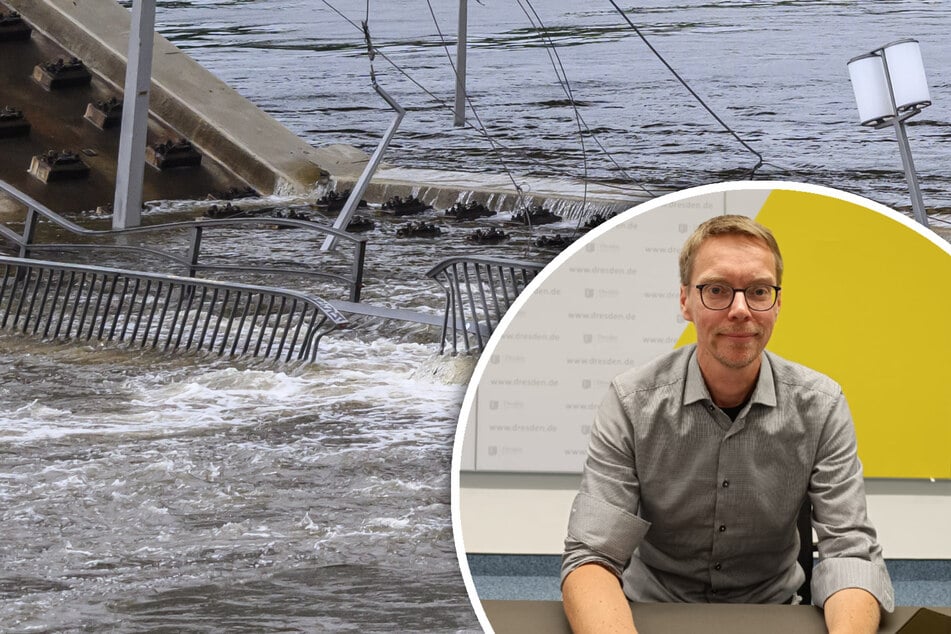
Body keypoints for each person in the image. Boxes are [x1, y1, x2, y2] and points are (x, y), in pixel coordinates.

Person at [561, 215, 894, 634]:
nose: (740, 310)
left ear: (777, 303)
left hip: (774, 614)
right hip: (650, 612)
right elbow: (592, 556)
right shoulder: (631, 402)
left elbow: (850, 553)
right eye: (717, 290)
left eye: (758, 291)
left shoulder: (821, 406)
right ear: (685, 300)